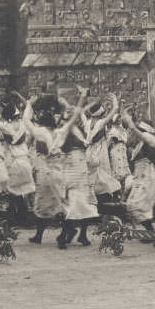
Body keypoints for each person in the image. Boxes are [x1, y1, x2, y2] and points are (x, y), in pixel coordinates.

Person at [20, 95, 68, 244]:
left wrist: (29, 104)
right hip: (60, 170)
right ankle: (46, 234)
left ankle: (48, 233)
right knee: (57, 202)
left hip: (46, 171)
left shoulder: (41, 133)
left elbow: (26, 121)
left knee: (42, 203)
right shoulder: (60, 132)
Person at [0, 92, 36, 223]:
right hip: (25, 160)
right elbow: (28, 107)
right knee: (25, 189)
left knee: (12, 191)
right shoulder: (24, 123)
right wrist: (25, 99)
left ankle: (14, 218)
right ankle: (24, 216)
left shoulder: (6, 127)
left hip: (13, 162)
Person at [57, 88, 95, 247]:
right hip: (71, 167)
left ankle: (83, 235)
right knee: (72, 202)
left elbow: (80, 113)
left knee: (85, 202)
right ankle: (64, 235)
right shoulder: (63, 131)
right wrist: (82, 97)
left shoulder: (82, 130)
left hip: (82, 167)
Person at [120, 108, 155, 236]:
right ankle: (150, 232)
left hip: (148, 176)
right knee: (134, 205)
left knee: (135, 205)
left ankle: (151, 232)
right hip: (141, 176)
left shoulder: (149, 138)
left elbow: (134, 130)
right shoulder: (141, 143)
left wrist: (129, 121)